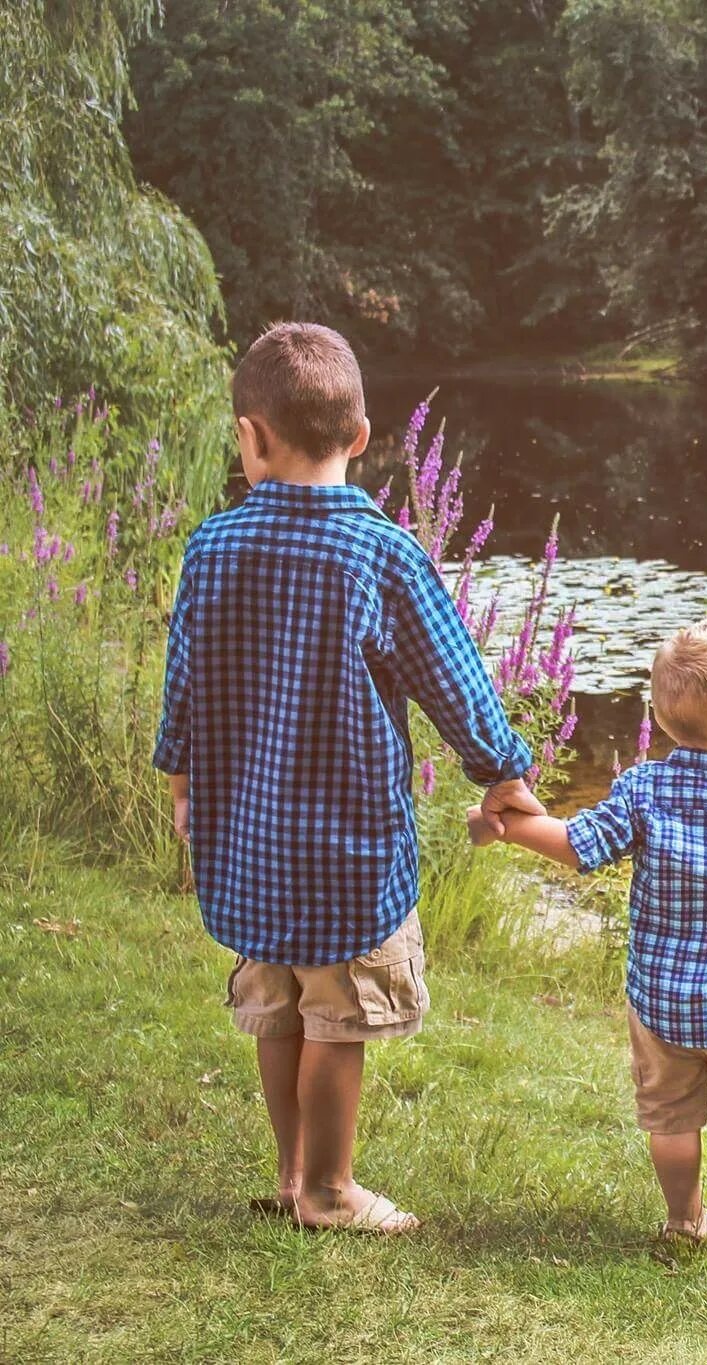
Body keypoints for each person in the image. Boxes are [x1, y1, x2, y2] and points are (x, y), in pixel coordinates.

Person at [154, 322, 543, 1235]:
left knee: (280, 1003)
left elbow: (186, 677)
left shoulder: (211, 546)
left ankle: (293, 1175)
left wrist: (181, 781)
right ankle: (329, 1190)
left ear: (249, 437)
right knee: (337, 1015)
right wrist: (502, 774)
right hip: (347, 840)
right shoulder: (383, 552)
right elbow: (454, 678)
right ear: (361, 438)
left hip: (245, 831)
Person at [467, 618, 707, 1260]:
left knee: (670, 1118)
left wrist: (506, 824)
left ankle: (685, 1220)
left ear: (662, 715)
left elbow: (577, 846)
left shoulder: (643, 790)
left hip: (660, 1002)